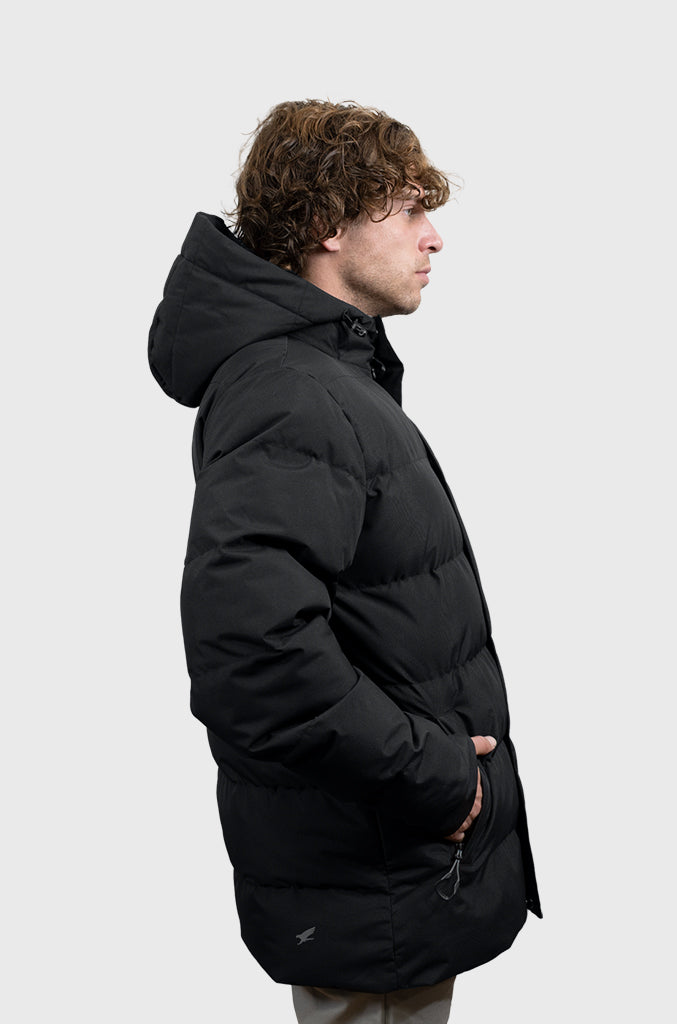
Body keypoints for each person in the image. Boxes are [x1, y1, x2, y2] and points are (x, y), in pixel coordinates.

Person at [148, 99, 542, 1023]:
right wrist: (437, 779)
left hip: (385, 868)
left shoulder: (322, 377)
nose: (433, 237)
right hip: (374, 867)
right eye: (408, 210)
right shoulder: (291, 393)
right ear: (329, 224)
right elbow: (254, 654)